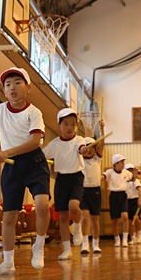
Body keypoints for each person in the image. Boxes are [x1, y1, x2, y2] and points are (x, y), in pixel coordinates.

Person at [0, 67, 51, 275]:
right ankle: (8, 263)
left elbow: (35, 142)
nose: (12, 87)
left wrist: (6, 152)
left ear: (28, 88)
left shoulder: (34, 112)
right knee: (9, 215)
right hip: (11, 166)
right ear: (4, 91)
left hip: (35, 162)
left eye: (17, 83)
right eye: (7, 84)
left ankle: (39, 246)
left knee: (42, 205)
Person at [42, 108, 87, 260]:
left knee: (73, 206)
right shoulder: (54, 144)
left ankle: (77, 227)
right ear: (59, 125)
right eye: (66, 124)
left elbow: (81, 149)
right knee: (63, 216)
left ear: (76, 126)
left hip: (76, 178)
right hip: (61, 179)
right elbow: (41, 155)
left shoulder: (79, 140)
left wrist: (84, 149)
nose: (69, 127)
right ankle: (67, 249)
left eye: (73, 124)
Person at [79, 124, 105, 254]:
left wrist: (102, 130)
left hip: (95, 191)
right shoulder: (79, 159)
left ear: (95, 149)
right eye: (87, 148)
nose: (89, 150)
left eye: (92, 147)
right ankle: (85, 243)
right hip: (83, 191)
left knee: (95, 219)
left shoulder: (97, 159)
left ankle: (96, 244)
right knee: (85, 217)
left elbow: (102, 143)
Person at [103, 154, 132, 246]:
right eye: (121, 162)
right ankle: (117, 239)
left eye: (123, 162)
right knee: (114, 220)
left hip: (123, 195)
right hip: (114, 196)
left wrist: (134, 175)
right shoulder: (110, 172)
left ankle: (125, 239)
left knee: (125, 216)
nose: (123, 164)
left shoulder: (126, 172)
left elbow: (131, 177)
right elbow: (104, 176)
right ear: (115, 163)